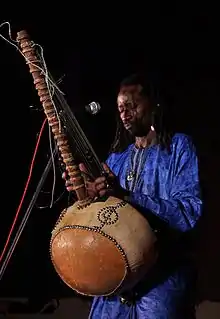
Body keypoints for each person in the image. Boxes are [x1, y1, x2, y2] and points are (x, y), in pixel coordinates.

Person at [64, 73, 203, 318]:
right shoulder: (117, 159)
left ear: (154, 105)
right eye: (120, 108)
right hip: (115, 282)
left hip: (162, 281)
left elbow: (188, 212)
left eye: (132, 106)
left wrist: (127, 196)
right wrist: (87, 197)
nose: (125, 114)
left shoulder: (178, 147)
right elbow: (105, 221)